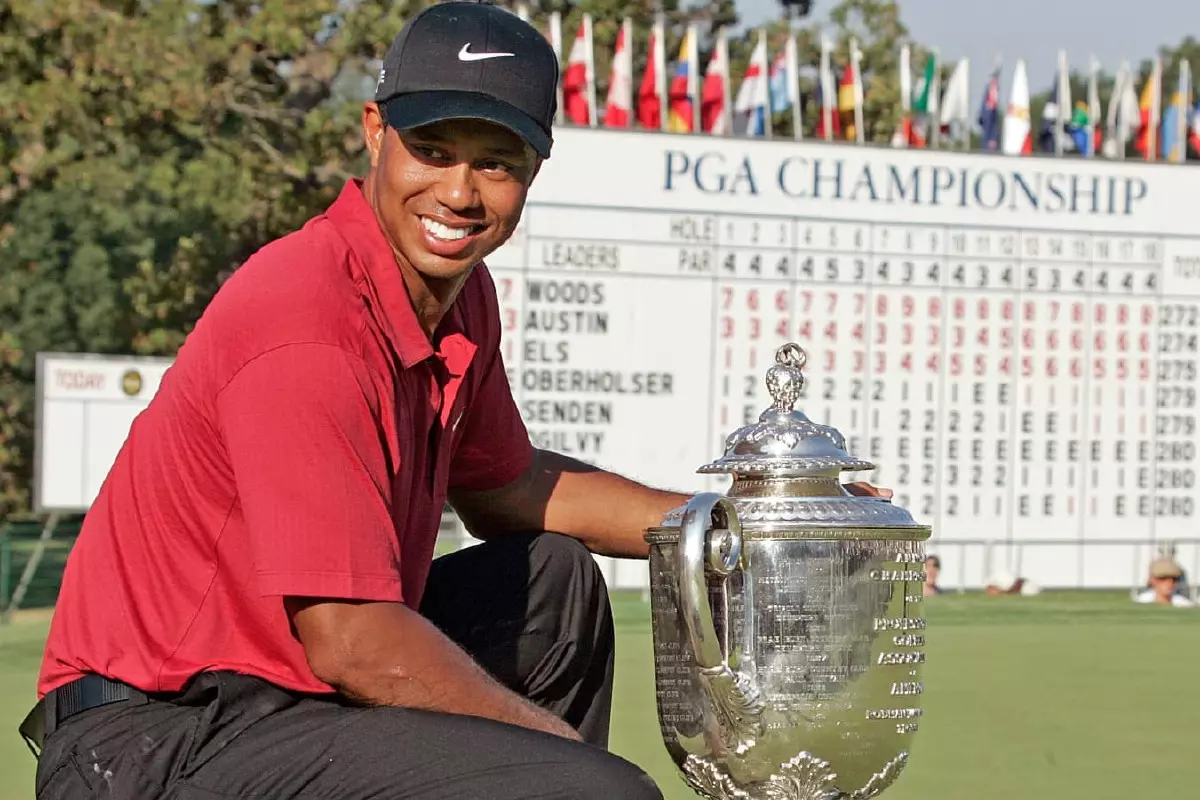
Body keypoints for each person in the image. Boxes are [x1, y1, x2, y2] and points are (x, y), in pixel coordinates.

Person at [21, 3, 887, 797]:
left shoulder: (459, 298)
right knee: (594, 792)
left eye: (495, 162)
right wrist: (567, 763)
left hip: (272, 703)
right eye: (432, 150)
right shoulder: (309, 319)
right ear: (375, 134)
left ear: (533, 170)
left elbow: (510, 491)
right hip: (148, 745)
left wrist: (753, 526)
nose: (460, 192)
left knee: (553, 585)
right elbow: (351, 641)